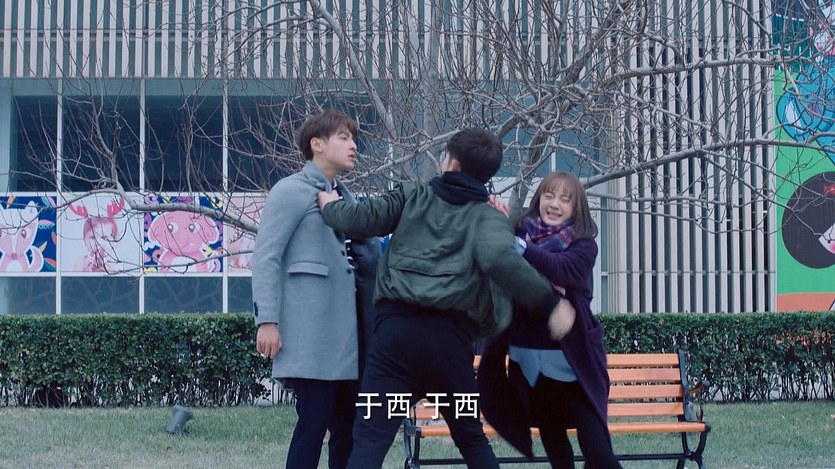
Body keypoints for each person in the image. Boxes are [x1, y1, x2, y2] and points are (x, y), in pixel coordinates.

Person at [316, 128, 574, 469]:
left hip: (394, 343)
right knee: (470, 438)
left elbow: (361, 219)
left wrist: (330, 206)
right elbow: (502, 260)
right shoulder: (487, 218)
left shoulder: (411, 195)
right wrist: (550, 304)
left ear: (451, 164)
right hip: (449, 348)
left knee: (371, 437)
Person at [252, 110, 372, 469]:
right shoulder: (290, 191)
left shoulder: (345, 196)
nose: (353, 145)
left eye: (353, 138)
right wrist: (267, 321)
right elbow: (266, 257)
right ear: (317, 144)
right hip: (311, 338)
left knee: (349, 428)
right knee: (313, 424)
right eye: (343, 138)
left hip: (350, 340)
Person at [479, 171, 621, 468]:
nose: (554, 204)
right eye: (549, 195)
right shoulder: (519, 232)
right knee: (557, 452)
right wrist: (498, 222)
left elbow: (561, 268)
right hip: (533, 367)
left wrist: (520, 249)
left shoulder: (584, 245)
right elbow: (499, 266)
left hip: (575, 367)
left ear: (576, 208)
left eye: (564, 199)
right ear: (538, 199)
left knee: (599, 453)